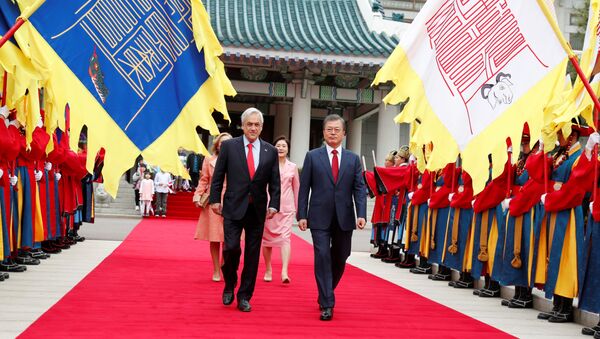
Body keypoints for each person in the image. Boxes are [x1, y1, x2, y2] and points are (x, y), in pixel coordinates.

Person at [210, 107, 280, 313]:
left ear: (261, 127)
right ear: (242, 125)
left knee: (252, 254)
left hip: (257, 210)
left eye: (257, 124)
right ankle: (230, 282)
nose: (253, 128)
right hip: (232, 206)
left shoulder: (270, 151)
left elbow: (275, 182)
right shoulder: (230, 147)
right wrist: (215, 200)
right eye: (249, 124)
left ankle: (244, 296)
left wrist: (274, 203)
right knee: (231, 248)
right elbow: (218, 175)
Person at [297, 114, 367, 321]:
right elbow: (304, 188)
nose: (333, 133)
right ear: (323, 132)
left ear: (344, 133)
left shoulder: (353, 159)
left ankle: (325, 290)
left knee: (341, 256)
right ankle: (327, 302)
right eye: (329, 129)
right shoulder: (312, 156)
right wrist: (302, 214)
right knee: (322, 256)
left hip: (344, 217)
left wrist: (361, 214)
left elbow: (359, 188)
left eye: (337, 129)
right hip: (318, 217)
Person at [194, 132, 232, 282]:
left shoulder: (237, 159)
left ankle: (224, 265)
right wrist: (197, 195)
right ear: (217, 145)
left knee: (229, 239)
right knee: (215, 237)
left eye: (228, 142)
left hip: (232, 199)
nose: (224, 145)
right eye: (222, 143)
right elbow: (204, 180)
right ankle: (216, 269)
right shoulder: (209, 160)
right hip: (213, 199)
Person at [262, 136, 299, 284]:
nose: (281, 148)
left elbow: (297, 189)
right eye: (278, 145)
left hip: (287, 208)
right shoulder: (267, 165)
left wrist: (299, 210)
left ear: (288, 149)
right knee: (267, 241)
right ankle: (268, 269)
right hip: (268, 207)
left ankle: (284, 271)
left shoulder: (293, 167)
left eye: (284, 146)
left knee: (285, 239)